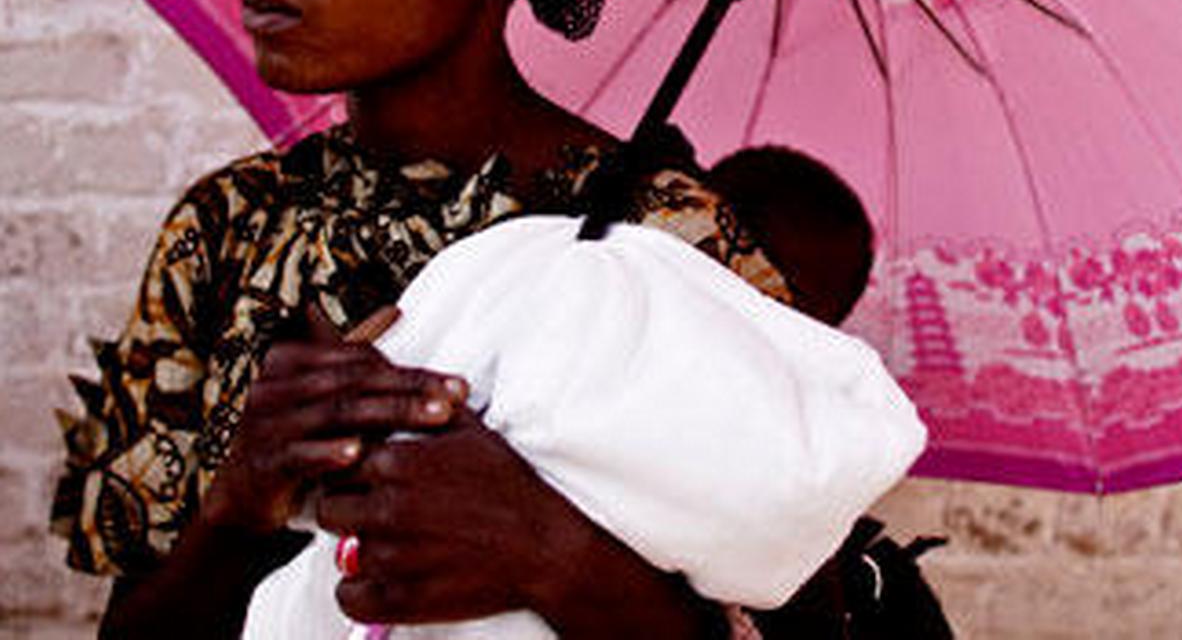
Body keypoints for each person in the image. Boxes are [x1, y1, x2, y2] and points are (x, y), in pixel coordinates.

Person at [52, 0, 836, 639]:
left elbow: (804, 620)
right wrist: (237, 506)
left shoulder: (664, 242)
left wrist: (545, 547)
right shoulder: (231, 229)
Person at [241, 145, 922, 638]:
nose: (741, 318)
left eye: (785, 314)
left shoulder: (859, 581)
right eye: (719, 270)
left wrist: (560, 559)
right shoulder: (483, 382)